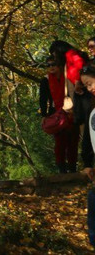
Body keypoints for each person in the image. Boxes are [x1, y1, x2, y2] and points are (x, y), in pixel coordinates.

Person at [47, 41, 85, 172]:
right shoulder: (49, 78)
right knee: (61, 141)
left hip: (74, 104)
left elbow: (79, 66)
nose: (52, 64)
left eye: (54, 57)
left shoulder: (71, 55)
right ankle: (63, 167)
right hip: (62, 111)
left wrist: (78, 82)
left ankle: (76, 167)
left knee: (74, 139)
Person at [77, 64, 95, 247]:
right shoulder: (92, 107)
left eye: (90, 83)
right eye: (87, 86)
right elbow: (88, 139)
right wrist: (88, 163)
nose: (90, 88)